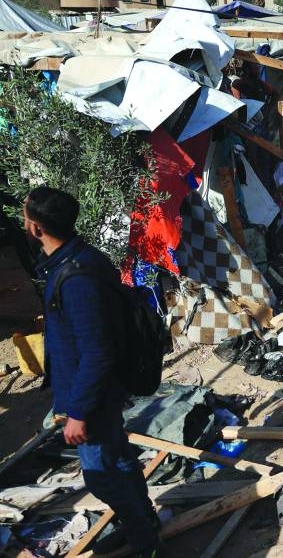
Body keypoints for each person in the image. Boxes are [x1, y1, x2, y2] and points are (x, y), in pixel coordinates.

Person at [24, 187, 160, 557]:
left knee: (103, 477)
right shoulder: (75, 260)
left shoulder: (77, 277)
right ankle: (144, 521)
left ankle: (145, 542)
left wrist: (79, 411)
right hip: (94, 391)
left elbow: (97, 352)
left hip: (94, 397)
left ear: (36, 228)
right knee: (118, 459)